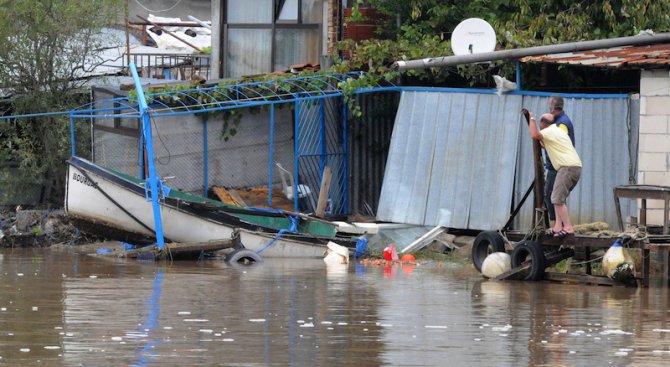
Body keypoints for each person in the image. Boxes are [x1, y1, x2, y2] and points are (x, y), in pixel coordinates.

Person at [528, 112, 582, 237]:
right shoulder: (558, 132)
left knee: (556, 199)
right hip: (574, 167)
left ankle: (568, 227)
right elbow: (543, 143)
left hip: (567, 168)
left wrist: (531, 119)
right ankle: (558, 227)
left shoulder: (548, 131)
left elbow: (534, 135)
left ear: (542, 124)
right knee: (557, 198)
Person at [544, 96, 575, 224]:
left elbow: (558, 141)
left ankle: (561, 225)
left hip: (559, 166)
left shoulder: (562, 123)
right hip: (558, 165)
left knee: (554, 196)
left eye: (549, 105)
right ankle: (559, 225)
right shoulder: (559, 121)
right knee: (555, 196)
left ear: (552, 107)